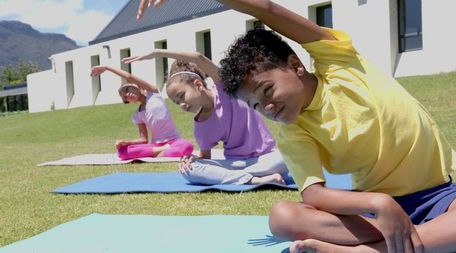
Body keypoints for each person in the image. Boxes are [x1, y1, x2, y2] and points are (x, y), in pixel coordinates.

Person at [137, 1, 456, 253]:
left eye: (267, 91)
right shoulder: (294, 131)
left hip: (439, 196)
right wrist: (378, 202)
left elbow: (267, 9)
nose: (268, 108)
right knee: (283, 217)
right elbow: (314, 194)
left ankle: (372, 251)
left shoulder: (340, 62)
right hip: (374, 213)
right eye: (257, 106)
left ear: (295, 66)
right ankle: (414, 242)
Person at [123, 50, 288, 185]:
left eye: (182, 96)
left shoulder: (224, 87)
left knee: (287, 156)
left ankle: (248, 177)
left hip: (266, 159)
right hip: (235, 165)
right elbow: (205, 157)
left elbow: (198, 58)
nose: (182, 105)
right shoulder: (201, 126)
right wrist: (191, 159)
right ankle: (253, 180)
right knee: (190, 169)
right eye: (176, 102)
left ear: (198, 85)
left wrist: (157, 53)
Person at [90, 65, 193, 160]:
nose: (128, 94)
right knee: (121, 152)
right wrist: (126, 142)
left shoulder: (153, 93)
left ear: (137, 86)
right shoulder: (137, 115)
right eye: (125, 97)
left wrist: (107, 68)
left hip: (174, 141)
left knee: (187, 147)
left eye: (127, 89)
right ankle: (162, 151)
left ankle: (156, 154)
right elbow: (143, 140)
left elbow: (129, 76)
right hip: (156, 146)